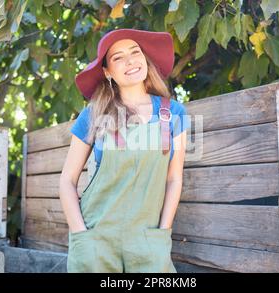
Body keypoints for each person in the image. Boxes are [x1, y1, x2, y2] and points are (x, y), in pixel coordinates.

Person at [59, 28, 191, 273]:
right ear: (108, 71)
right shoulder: (92, 115)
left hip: (148, 242)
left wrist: (162, 234)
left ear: (145, 60)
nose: (130, 61)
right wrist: (81, 236)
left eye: (135, 52)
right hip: (96, 240)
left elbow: (174, 179)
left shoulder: (174, 113)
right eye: (118, 57)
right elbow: (67, 180)